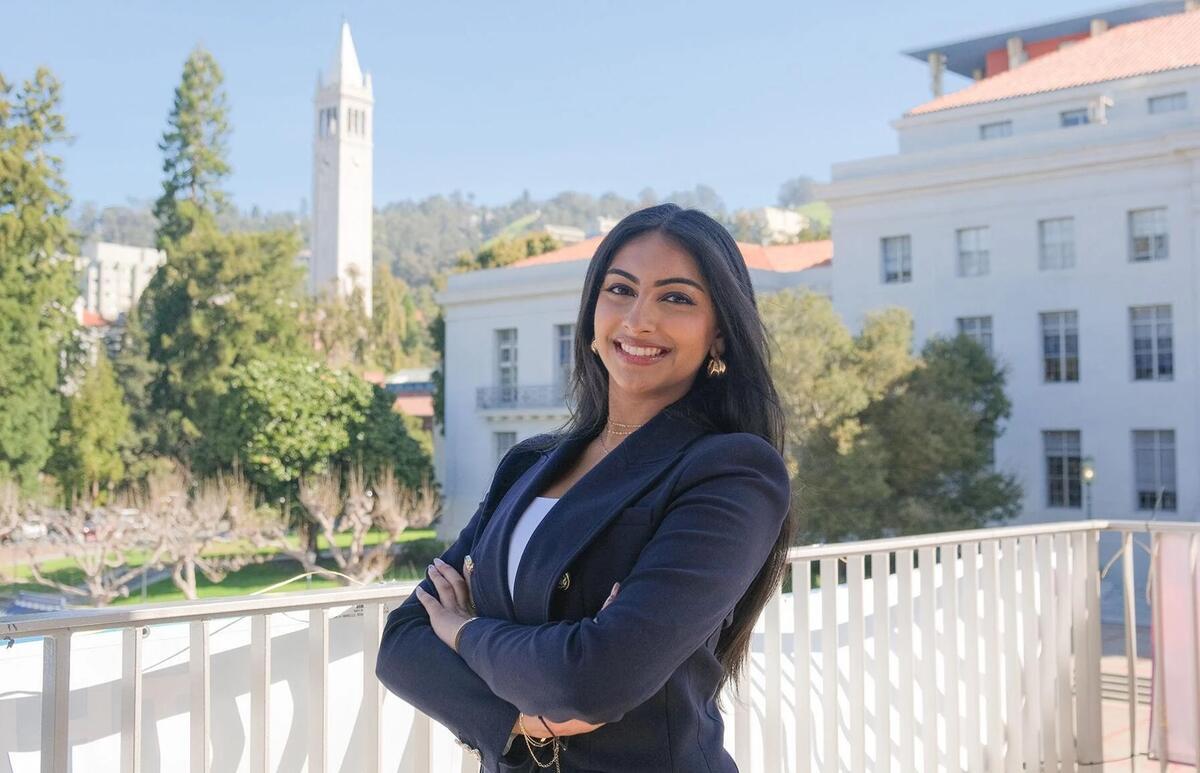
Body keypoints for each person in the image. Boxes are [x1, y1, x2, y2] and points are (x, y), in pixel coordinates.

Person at [376, 203, 794, 772]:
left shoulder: (731, 471)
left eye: (676, 298)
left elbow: (593, 679)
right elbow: (402, 643)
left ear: (718, 333)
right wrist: (525, 721)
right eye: (620, 290)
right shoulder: (529, 463)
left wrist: (464, 628)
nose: (638, 320)